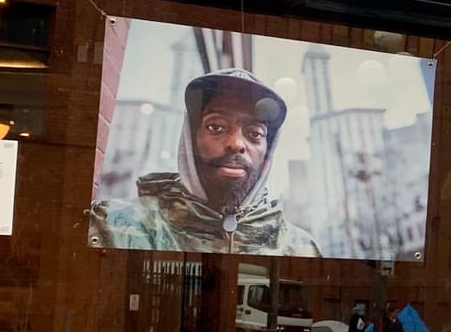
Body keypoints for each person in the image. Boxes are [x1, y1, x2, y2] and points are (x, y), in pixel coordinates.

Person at [89, 69, 321, 256]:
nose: (236, 144)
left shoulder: (302, 249)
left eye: (255, 133)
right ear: (191, 139)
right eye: (216, 127)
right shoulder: (111, 225)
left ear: (267, 152)